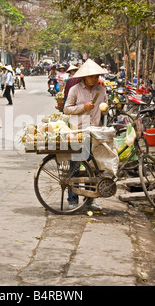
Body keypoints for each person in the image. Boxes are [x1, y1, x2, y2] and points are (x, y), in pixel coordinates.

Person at [63, 59, 109, 210]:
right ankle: (72, 199)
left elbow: (106, 109)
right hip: (78, 131)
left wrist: (105, 109)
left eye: (96, 76)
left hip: (95, 131)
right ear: (84, 77)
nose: (95, 79)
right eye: (91, 76)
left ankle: (90, 198)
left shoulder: (101, 90)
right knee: (75, 166)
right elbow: (67, 109)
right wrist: (83, 107)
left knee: (93, 167)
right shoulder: (75, 89)